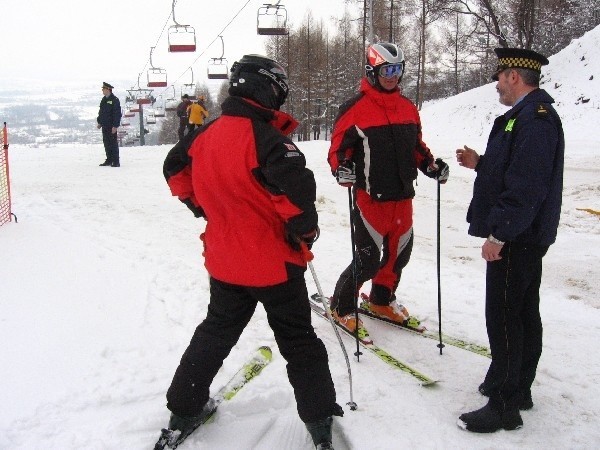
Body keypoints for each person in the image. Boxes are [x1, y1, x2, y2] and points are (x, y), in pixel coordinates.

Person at [162, 54, 342, 449]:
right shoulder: (271, 141)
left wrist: (202, 206)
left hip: (226, 262)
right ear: (267, 89)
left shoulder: (205, 134)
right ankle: (319, 416)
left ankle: (185, 405)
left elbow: (174, 167)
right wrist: (306, 233)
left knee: (215, 332)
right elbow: (296, 201)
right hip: (274, 265)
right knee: (298, 340)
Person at [456, 47, 564, 433]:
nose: (497, 83)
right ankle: (517, 388)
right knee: (520, 312)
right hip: (523, 234)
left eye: (500, 76)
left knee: (504, 316)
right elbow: (514, 168)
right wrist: (480, 163)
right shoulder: (522, 118)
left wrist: (499, 235)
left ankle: (503, 405)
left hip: (517, 237)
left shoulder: (535, 121)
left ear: (514, 77)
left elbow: (527, 187)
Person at [327, 42, 449, 335]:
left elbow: (416, 147)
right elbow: (338, 150)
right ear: (372, 71)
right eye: (386, 70)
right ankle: (341, 306)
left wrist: (431, 166)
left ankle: (381, 300)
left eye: (397, 70)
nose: (392, 76)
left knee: (399, 256)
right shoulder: (355, 108)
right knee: (367, 260)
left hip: (403, 196)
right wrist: (341, 169)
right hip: (370, 197)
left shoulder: (408, 108)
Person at [97, 82, 122, 167]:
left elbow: (117, 114)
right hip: (104, 125)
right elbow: (101, 112)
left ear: (108, 89)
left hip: (111, 126)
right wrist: (99, 122)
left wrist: (115, 125)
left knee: (113, 143)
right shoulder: (104, 100)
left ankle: (115, 161)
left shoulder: (115, 100)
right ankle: (109, 159)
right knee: (106, 142)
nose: (102, 91)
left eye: (103, 89)